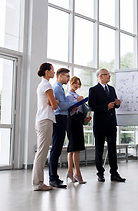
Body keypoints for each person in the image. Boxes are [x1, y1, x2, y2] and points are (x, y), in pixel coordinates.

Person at [88, 68, 126, 182]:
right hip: (99, 123)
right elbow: (92, 106)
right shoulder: (93, 90)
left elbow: (114, 105)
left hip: (111, 123)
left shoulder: (112, 89)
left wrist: (117, 104)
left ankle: (114, 173)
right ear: (100, 77)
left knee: (112, 149)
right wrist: (106, 107)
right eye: (107, 75)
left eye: (109, 74)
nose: (109, 76)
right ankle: (100, 173)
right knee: (99, 149)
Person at [49, 68, 83, 188]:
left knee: (58, 148)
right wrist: (76, 102)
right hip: (59, 118)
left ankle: (54, 177)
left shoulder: (59, 88)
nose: (69, 79)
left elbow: (62, 104)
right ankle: (52, 177)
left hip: (63, 117)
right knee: (56, 147)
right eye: (67, 76)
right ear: (60, 76)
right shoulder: (57, 88)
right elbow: (61, 105)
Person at [32, 62, 57, 191]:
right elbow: (54, 105)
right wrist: (56, 101)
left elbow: (50, 103)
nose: (54, 72)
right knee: (42, 152)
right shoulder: (47, 84)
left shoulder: (42, 84)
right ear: (47, 71)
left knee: (41, 152)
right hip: (45, 120)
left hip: (42, 120)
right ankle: (38, 183)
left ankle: (38, 182)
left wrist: (53, 102)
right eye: (52, 70)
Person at [65, 76, 91, 184]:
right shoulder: (69, 96)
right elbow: (70, 110)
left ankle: (70, 172)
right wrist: (78, 101)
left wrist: (86, 117)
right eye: (75, 83)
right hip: (72, 121)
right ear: (70, 83)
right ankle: (77, 172)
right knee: (74, 147)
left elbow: (81, 110)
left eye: (78, 84)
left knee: (74, 148)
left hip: (78, 120)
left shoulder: (77, 96)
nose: (76, 85)